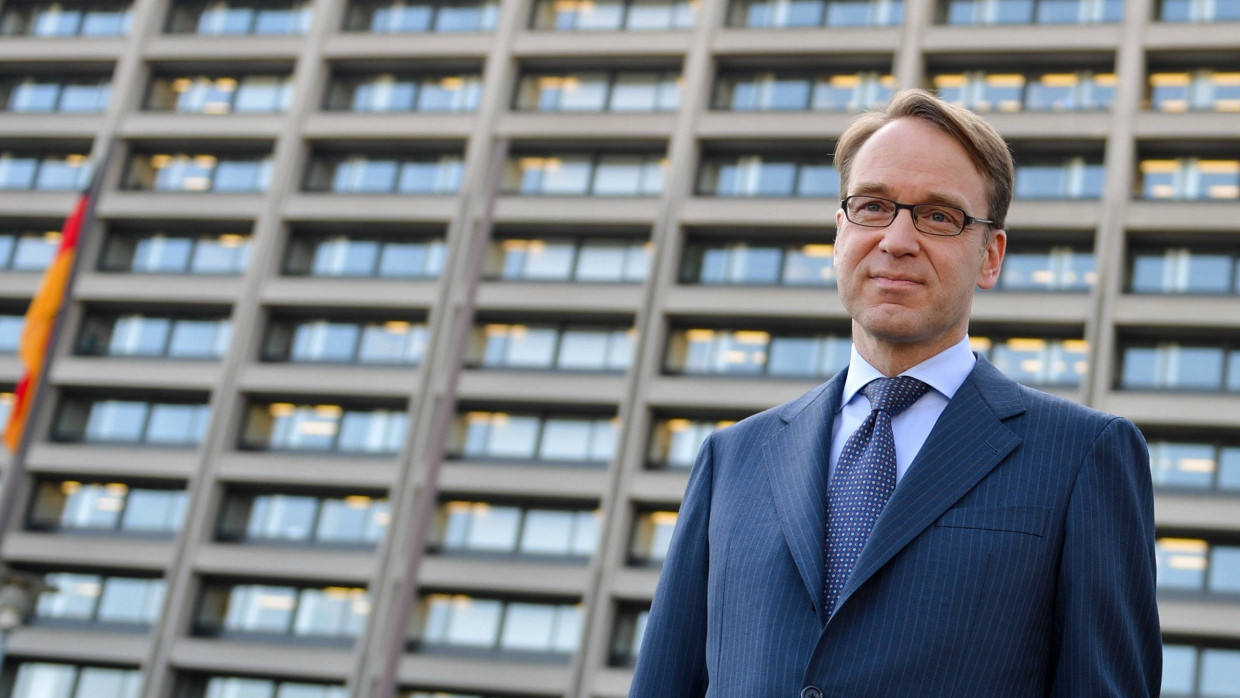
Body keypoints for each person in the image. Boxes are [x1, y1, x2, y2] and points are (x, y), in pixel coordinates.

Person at [629, 89, 1161, 697]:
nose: (897, 240)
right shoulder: (731, 461)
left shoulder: (1084, 456)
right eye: (874, 207)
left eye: (938, 216)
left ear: (991, 255)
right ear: (839, 232)